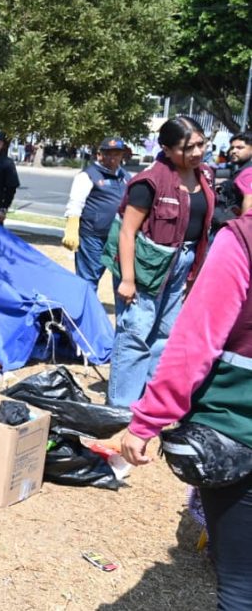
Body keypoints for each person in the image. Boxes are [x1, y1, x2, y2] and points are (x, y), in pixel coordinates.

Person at [119, 208, 252, 610]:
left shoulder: (242, 240)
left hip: (236, 425)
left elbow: (195, 342)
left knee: (241, 588)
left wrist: (146, 421)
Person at [105, 116, 214, 408]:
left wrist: (193, 274)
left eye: (200, 144)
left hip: (182, 264)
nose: (196, 152)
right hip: (145, 269)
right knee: (136, 333)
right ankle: (121, 407)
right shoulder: (149, 182)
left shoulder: (205, 176)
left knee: (166, 335)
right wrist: (127, 279)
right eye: (186, 148)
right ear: (166, 149)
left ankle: (148, 402)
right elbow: (127, 232)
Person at [61, 138, 129, 292]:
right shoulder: (88, 175)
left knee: (121, 280)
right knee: (88, 281)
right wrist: (71, 228)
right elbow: (75, 203)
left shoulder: (125, 176)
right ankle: (84, 314)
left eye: (117, 154)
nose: (113, 157)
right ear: (100, 155)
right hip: (92, 237)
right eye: (108, 153)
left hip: (117, 237)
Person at [212, 132, 252, 229]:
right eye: (232, 148)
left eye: (240, 148)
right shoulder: (240, 169)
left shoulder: (248, 173)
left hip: (232, 228)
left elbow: (249, 202)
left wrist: (242, 229)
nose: (233, 151)